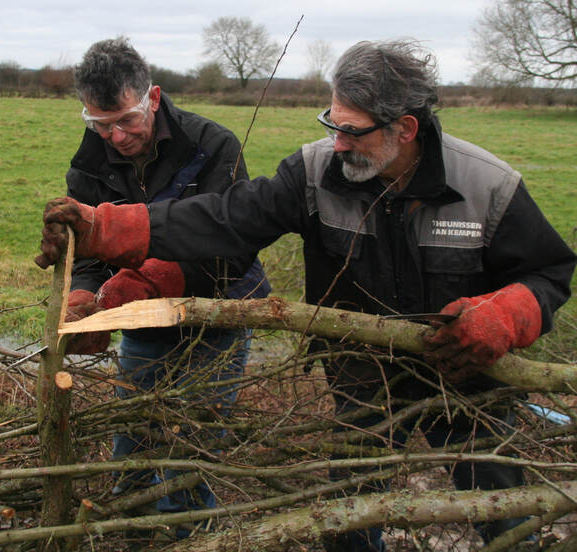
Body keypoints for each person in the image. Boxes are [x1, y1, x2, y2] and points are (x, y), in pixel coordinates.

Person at [36, 39, 577, 551]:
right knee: (349, 509)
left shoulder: (486, 185)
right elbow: (229, 220)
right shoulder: (316, 172)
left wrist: (507, 315)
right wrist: (110, 227)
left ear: (405, 128)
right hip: (363, 373)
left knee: (502, 503)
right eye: (331, 122)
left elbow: (549, 273)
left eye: (351, 131)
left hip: (466, 372)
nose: (336, 142)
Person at [53, 37, 270, 531]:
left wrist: (156, 278)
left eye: (126, 120)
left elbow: (233, 248)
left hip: (218, 309)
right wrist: (84, 296)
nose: (115, 137)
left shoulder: (213, 145)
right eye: (99, 125)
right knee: (132, 433)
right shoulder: (88, 165)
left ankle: (187, 536)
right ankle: (129, 528)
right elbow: (86, 249)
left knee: (191, 443)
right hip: (140, 318)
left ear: (151, 97)